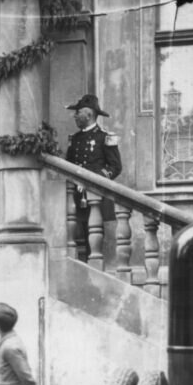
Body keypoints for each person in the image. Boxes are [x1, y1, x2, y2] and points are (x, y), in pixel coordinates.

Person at [65, 94, 122, 261]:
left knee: (95, 233)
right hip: (77, 194)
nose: (75, 116)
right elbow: (69, 164)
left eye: (78, 113)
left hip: (96, 194)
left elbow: (115, 167)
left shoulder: (104, 137)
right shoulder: (74, 139)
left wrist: (95, 180)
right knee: (79, 233)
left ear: (89, 115)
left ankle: (95, 264)